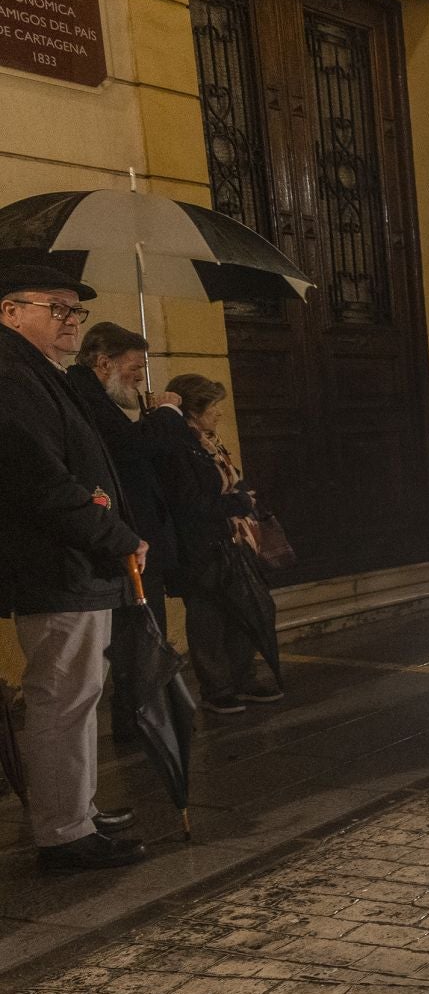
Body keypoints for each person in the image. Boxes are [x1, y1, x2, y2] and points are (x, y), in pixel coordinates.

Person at [0, 265, 147, 872]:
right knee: (62, 696)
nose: (70, 321)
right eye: (57, 309)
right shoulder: (11, 376)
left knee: (79, 695)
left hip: (76, 560)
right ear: (10, 311)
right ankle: (64, 834)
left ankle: (76, 809)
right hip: (56, 563)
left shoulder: (39, 372)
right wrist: (114, 535)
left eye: (75, 312)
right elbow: (39, 481)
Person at [68, 322, 183, 741]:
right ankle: (139, 724)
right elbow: (133, 448)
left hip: (134, 536)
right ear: (104, 363)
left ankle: (143, 717)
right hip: (126, 540)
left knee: (141, 635)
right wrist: (168, 413)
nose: (139, 375)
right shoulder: (86, 398)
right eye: (134, 367)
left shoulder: (94, 396)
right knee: (139, 637)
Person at [155, 374, 281, 714]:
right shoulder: (182, 447)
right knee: (207, 616)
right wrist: (236, 503)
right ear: (194, 410)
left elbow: (226, 482)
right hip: (201, 545)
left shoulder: (210, 442)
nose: (219, 412)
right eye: (213, 405)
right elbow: (189, 501)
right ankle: (216, 687)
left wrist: (241, 500)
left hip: (232, 538)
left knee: (243, 608)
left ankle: (244, 677)